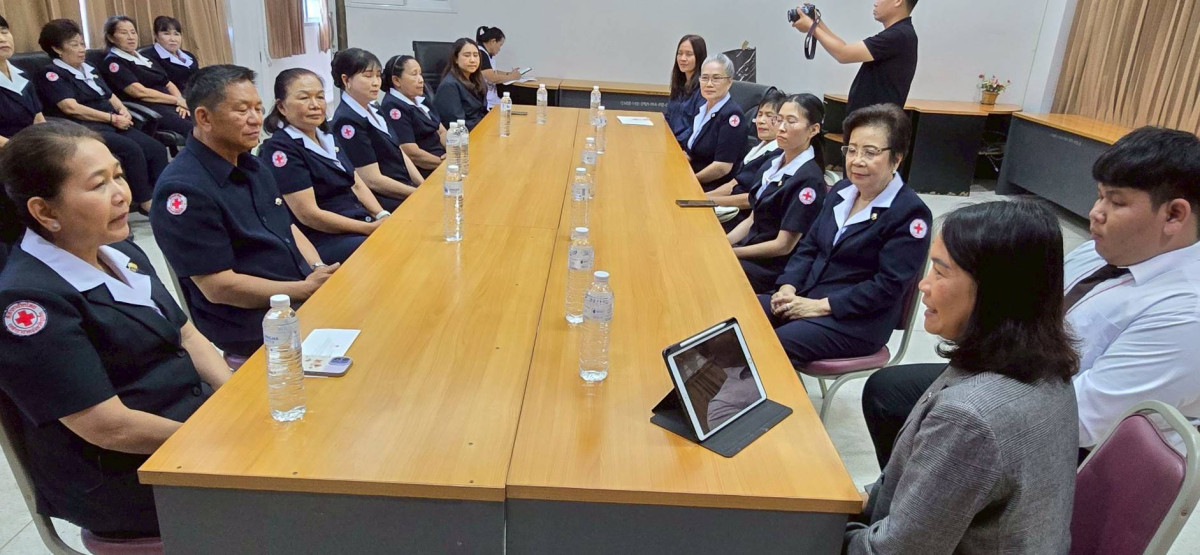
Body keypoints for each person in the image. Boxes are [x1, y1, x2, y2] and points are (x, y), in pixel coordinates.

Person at [862, 126, 1200, 467]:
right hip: (1029, 378)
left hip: (1077, 446)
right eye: (1099, 196)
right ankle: (910, 486)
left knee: (937, 415)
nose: (1096, 212)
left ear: (1174, 215)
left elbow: (1083, 420)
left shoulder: (1186, 315)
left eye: (1116, 202)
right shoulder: (1101, 253)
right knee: (890, 392)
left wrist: (979, 401)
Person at [0, 121, 232, 538]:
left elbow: (185, 333)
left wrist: (236, 398)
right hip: (123, 475)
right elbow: (108, 427)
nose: (121, 193)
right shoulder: (28, 302)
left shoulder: (118, 249)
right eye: (98, 184)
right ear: (45, 212)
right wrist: (215, 443)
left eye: (118, 175)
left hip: (190, 427)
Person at [845, 200, 1078, 553]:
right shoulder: (1047, 366)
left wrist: (819, 533)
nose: (923, 284)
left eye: (940, 272)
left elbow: (894, 552)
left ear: (994, 291)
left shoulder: (969, 418)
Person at [151, 65, 338, 362]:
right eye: (242, 110)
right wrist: (303, 290)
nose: (255, 119)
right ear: (204, 118)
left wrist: (318, 269)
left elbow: (287, 227)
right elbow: (218, 287)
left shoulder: (252, 165)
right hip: (257, 323)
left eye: (257, 108)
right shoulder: (184, 189)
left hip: (297, 293)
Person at [761, 103, 930, 366]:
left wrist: (820, 306)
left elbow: (887, 286)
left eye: (870, 152)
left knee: (767, 345)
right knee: (736, 317)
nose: (857, 160)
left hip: (854, 322)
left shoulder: (910, 213)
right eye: (851, 150)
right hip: (805, 297)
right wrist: (787, 287)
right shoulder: (841, 191)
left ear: (897, 158)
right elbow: (809, 247)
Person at [35, 19, 168, 215]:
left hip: (112, 122)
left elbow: (109, 95)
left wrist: (122, 109)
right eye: (74, 45)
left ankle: (164, 195)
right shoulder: (51, 74)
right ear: (57, 49)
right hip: (84, 128)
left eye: (82, 44)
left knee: (156, 148)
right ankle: (145, 201)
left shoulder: (89, 68)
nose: (82, 49)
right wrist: (111, 118)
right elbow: (71, 108)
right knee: (131, 150)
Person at [261, 68, 390, 264]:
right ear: (282, 106)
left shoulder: (326, 135)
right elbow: (309, 214)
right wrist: (369, 229)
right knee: (387, 249)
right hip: (325, 238)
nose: (315, 105)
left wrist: (381, 214)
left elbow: (355, 182)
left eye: (320, 97)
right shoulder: (281, 149)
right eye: (304, 98)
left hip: (359, 221)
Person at [728, 94, 827, 293]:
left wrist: (733, 253)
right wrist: (724, 243)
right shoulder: (773, 163)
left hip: (771, 266)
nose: (781, 127)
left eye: (791, 121)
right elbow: (753, 218)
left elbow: (783, 245)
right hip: (749, 248)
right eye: (779, 119)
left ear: (813, 130)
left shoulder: (808, 180)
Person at [331, 48, 423, 212]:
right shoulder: (347, 121)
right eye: (368, 76)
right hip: (383, 199)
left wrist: (423, 185)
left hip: (404, 187)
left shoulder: (375, 108)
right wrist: (418, 193)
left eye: (378, 75)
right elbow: (372, 180)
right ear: (346, 80)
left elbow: (399, 151)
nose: (376, 82)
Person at [790, 0, 919, 115]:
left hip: (876, 123)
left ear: (898, 1)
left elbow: (843, 54)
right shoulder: (901, 33)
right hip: (872, 121)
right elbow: (843, 47)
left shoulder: (899, 35)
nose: (875, 2)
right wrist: (816, 22)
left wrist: (812, 28)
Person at [100, 15, 192, 136]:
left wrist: (182, 102)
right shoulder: (114, 62)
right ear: (111, 38)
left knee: (207, 120)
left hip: (171, 103)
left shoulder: (145, 58)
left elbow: (168, 83)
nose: (131, 37)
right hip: (151, 108)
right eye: (124, 33)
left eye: (133, 32)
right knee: (195, 130)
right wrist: (176, 101)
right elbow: (139, 92)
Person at [708, 90, 786, 225]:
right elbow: (733, 184)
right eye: (759, 114)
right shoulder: (757, 148)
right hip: (726, 208)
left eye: (769, 116)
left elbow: (749, 200)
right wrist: (702, 197)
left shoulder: (779, 156)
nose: (760, 121)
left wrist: (708, 201)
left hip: (743, 218)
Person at [685, 54, 748, 190]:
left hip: (712, 186)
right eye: (705, 78)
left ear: (729, 82)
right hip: (692, 175)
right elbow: (694, 150)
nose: (709, 84)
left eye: (716, 78)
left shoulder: (732, 116)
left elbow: (722, 167)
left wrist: (691, 181)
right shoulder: (702, 107)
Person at [379, 54, 446, 177]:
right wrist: (445, 164)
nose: (421, 80)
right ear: (396, 80)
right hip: (425, 170)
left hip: (443, 160)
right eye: (414, 74)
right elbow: (412, 153)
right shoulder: (393, 107)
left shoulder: (419, 97)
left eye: (420, 74)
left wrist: (452, 152)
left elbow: (441, 130)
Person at [0, 14, 47, 146]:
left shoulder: (21, 74)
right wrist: (20, 150)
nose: (2, 39)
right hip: (9, 148)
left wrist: (48, 144)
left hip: (28, 143)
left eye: (4, 32)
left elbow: (39, 119)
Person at [434, 38, 488, 131]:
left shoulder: (477, 79)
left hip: (480, 128)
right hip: (464, 135)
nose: (472, 60)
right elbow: (456, 124)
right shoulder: (449, 86)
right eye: (467, 55)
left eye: (476, 55)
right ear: (456, 59)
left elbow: (481, 111)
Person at [139, 16, 199, 95]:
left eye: (176, 34)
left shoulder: (189, 56)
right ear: (156, 36)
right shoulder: (148, 56)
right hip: (173, 99)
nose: (173, 39)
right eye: (166, 34)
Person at [665, 34, 706, 146]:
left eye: (689, 54)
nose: (682, 58)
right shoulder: (679, 85)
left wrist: (675, 142)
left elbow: (696, 127)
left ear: (699, 57)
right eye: (680, 53)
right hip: (671, 141)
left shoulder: (703, 89)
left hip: (685, 146)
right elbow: (669, 116)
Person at [475, 26, 522, 110]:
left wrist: (508, 74)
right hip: (485, 102)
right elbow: (492, 77)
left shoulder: (487, 54)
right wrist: (512, 77)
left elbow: (492, 71)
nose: (499, 49)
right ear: (493, 41)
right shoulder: (481, 53)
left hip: (491, 99)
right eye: (500, 45)